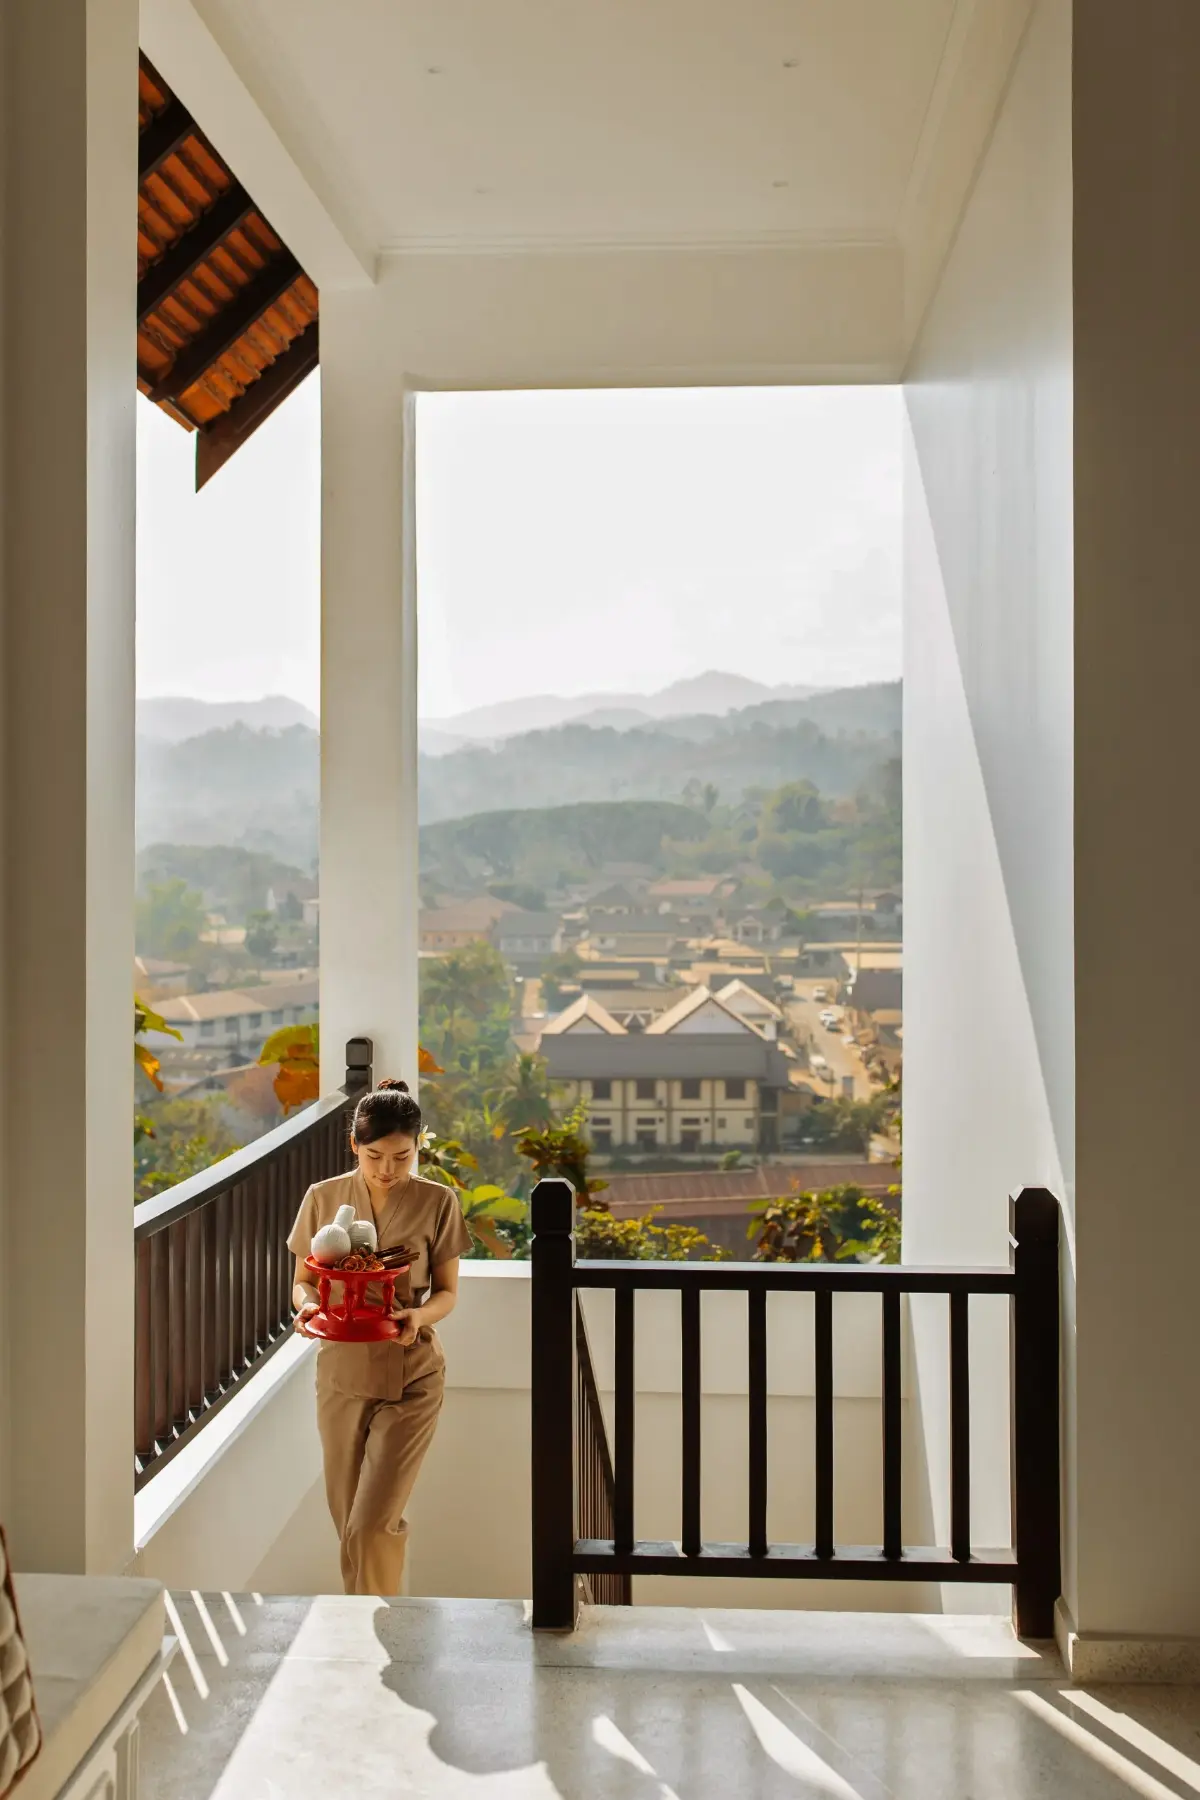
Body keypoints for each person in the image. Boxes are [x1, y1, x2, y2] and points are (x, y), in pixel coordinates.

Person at [287, 1079, 472, 1595]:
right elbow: (302, 1284)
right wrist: (306, 1310)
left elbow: (448, 1292)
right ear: (354, 1146)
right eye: (374, 1156)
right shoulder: (322, 1198)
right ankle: (366, 1635)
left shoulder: (438, 1200)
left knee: (371, 1526)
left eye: (402, 1157)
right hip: (342, 1376)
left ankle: (382, 1633)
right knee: (348, 1527)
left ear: (418, 1148)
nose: (388, 1170)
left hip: (412, 1372)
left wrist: (418, 1317)